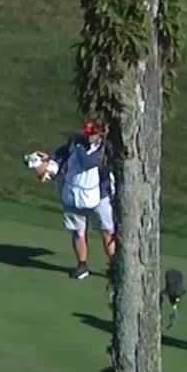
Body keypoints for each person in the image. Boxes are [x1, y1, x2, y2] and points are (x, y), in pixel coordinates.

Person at [51, 118, 116, 280]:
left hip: (99, 196)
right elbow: (59, 155)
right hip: (72, 194)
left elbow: (89, 162)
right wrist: (47, 161)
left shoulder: (105, 148)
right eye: (87, 133)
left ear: (101, 133)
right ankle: (82, 265)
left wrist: (77, 147)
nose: (89, 137)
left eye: (92, 134)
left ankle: (115, 267)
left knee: (107, 232)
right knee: (77, 231)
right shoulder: (75, 142)